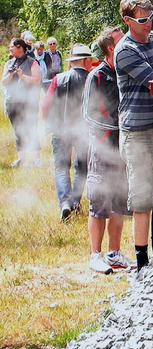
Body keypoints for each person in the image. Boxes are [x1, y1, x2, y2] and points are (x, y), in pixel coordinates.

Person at [114, 0, 153, 273]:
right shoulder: (125, 50)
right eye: (142, 20)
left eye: (150, 18)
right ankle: (141, 261)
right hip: (135, 131)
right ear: (127, 21)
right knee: (141, 197)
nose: (148, 24)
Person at [83, 26, 134, 274]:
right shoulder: (97, 77)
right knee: (99, 202)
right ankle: (96, 255)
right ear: (111, 48)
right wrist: (115, 126)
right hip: (103, 147)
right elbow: (88, 114)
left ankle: (114, 253)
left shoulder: (125, 71)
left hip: (124, 146)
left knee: (120, 203)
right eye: (121, 40)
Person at [42, 42, 93, 219]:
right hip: (83, 130)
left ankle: (64, 202)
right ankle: (74, 201)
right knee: (82, 167)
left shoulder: (58, 78)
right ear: (85, 61)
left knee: (61, 167)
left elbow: (45, 104)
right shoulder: (92, 79)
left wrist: (49, 123)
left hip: (60, 128)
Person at [2, 38, 42, 167]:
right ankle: (21, 158)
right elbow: (3, 82)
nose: (10, 49)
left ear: (19, 47)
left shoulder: (32, 62)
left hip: (28, 101)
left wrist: (22, 76)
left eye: (11, 47)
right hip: (12, 101)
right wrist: (11, 73)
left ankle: (36, 158)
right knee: (18, 129)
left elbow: (36, 80)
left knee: (31, 128)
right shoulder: (8, 64)